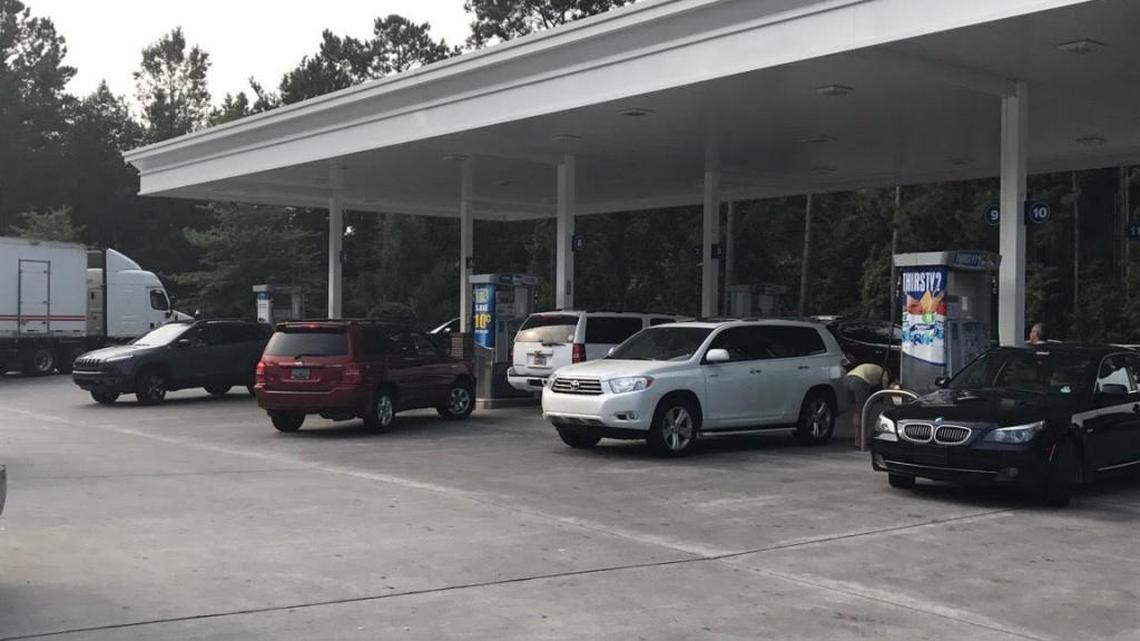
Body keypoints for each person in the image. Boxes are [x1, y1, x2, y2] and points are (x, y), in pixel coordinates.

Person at [845, 362, 888, 446]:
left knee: (856, 411)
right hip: (860, 381)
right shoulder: (885, 373)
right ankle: (862, 441)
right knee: (864, 412)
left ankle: (856, 439)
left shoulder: (873, 367)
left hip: (847, 378)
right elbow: (884, 390)